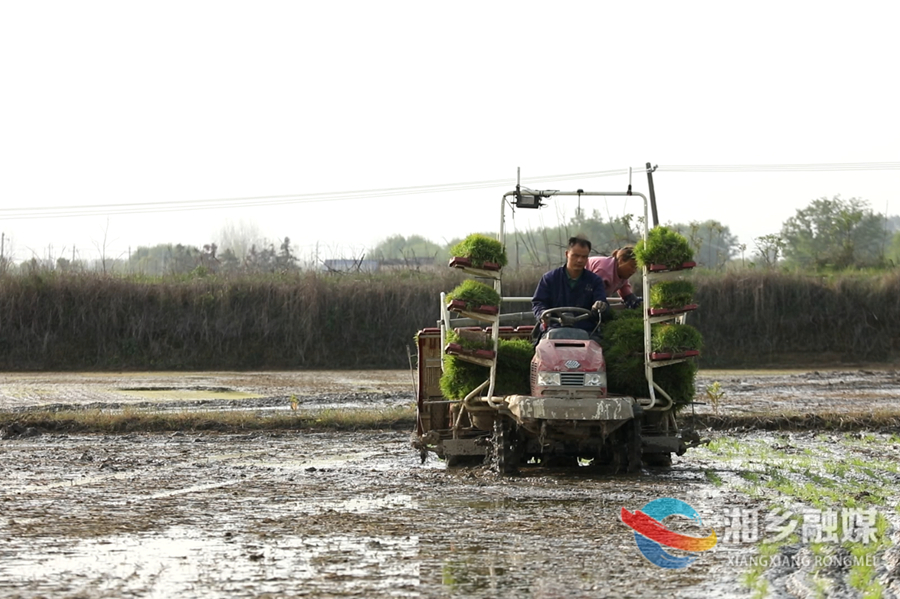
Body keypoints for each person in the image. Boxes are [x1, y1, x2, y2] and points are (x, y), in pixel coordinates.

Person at [532, 236, 608, 341]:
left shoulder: (595, 281)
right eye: (575, 256)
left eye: (584, 257)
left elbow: (602, 303)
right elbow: (538, 302)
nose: (580, 260)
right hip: (553, 329)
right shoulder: (549, 278)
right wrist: (543, 313)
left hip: (587, 332)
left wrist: (599, 306)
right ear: (567, 254)